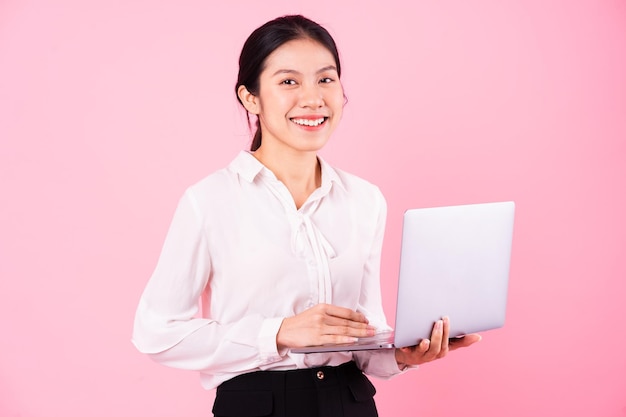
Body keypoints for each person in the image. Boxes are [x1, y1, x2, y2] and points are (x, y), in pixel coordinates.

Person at [132, 14, 480, 417]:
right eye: (288, 81)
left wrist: (403, 355)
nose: (313, 98)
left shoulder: (365, 199)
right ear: (250, 98)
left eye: (326, 79)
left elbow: (362, 338)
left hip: (350, 403)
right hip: (256, 405)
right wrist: (278, 332)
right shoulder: (209, 200)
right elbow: (156, 332)